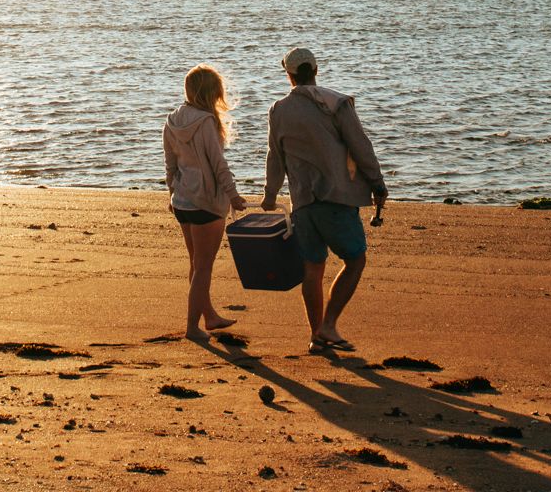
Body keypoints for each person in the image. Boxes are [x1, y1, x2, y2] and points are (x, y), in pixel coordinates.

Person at [260, 46, 387, 354]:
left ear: (288, 75)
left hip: (302, 200)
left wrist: (270, 193)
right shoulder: (336, 103)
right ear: (315, 70)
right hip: (336, 196)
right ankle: (328, 325)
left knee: (312, 268)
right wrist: (377, 183)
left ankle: (317, 335)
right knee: (355, 259)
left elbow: (275, 157)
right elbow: (360, 145)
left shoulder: (278, 110)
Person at [163, 64, 249, 341]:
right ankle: (191, 327)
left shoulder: (173, 119)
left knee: (196, 263)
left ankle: (209, 316)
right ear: (213, 93)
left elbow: (170, 164)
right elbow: (218, 164)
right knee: (203, 267)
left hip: (183, 201)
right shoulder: (206, 122)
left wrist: (171, 192)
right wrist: (233, 195)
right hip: (206, 202)